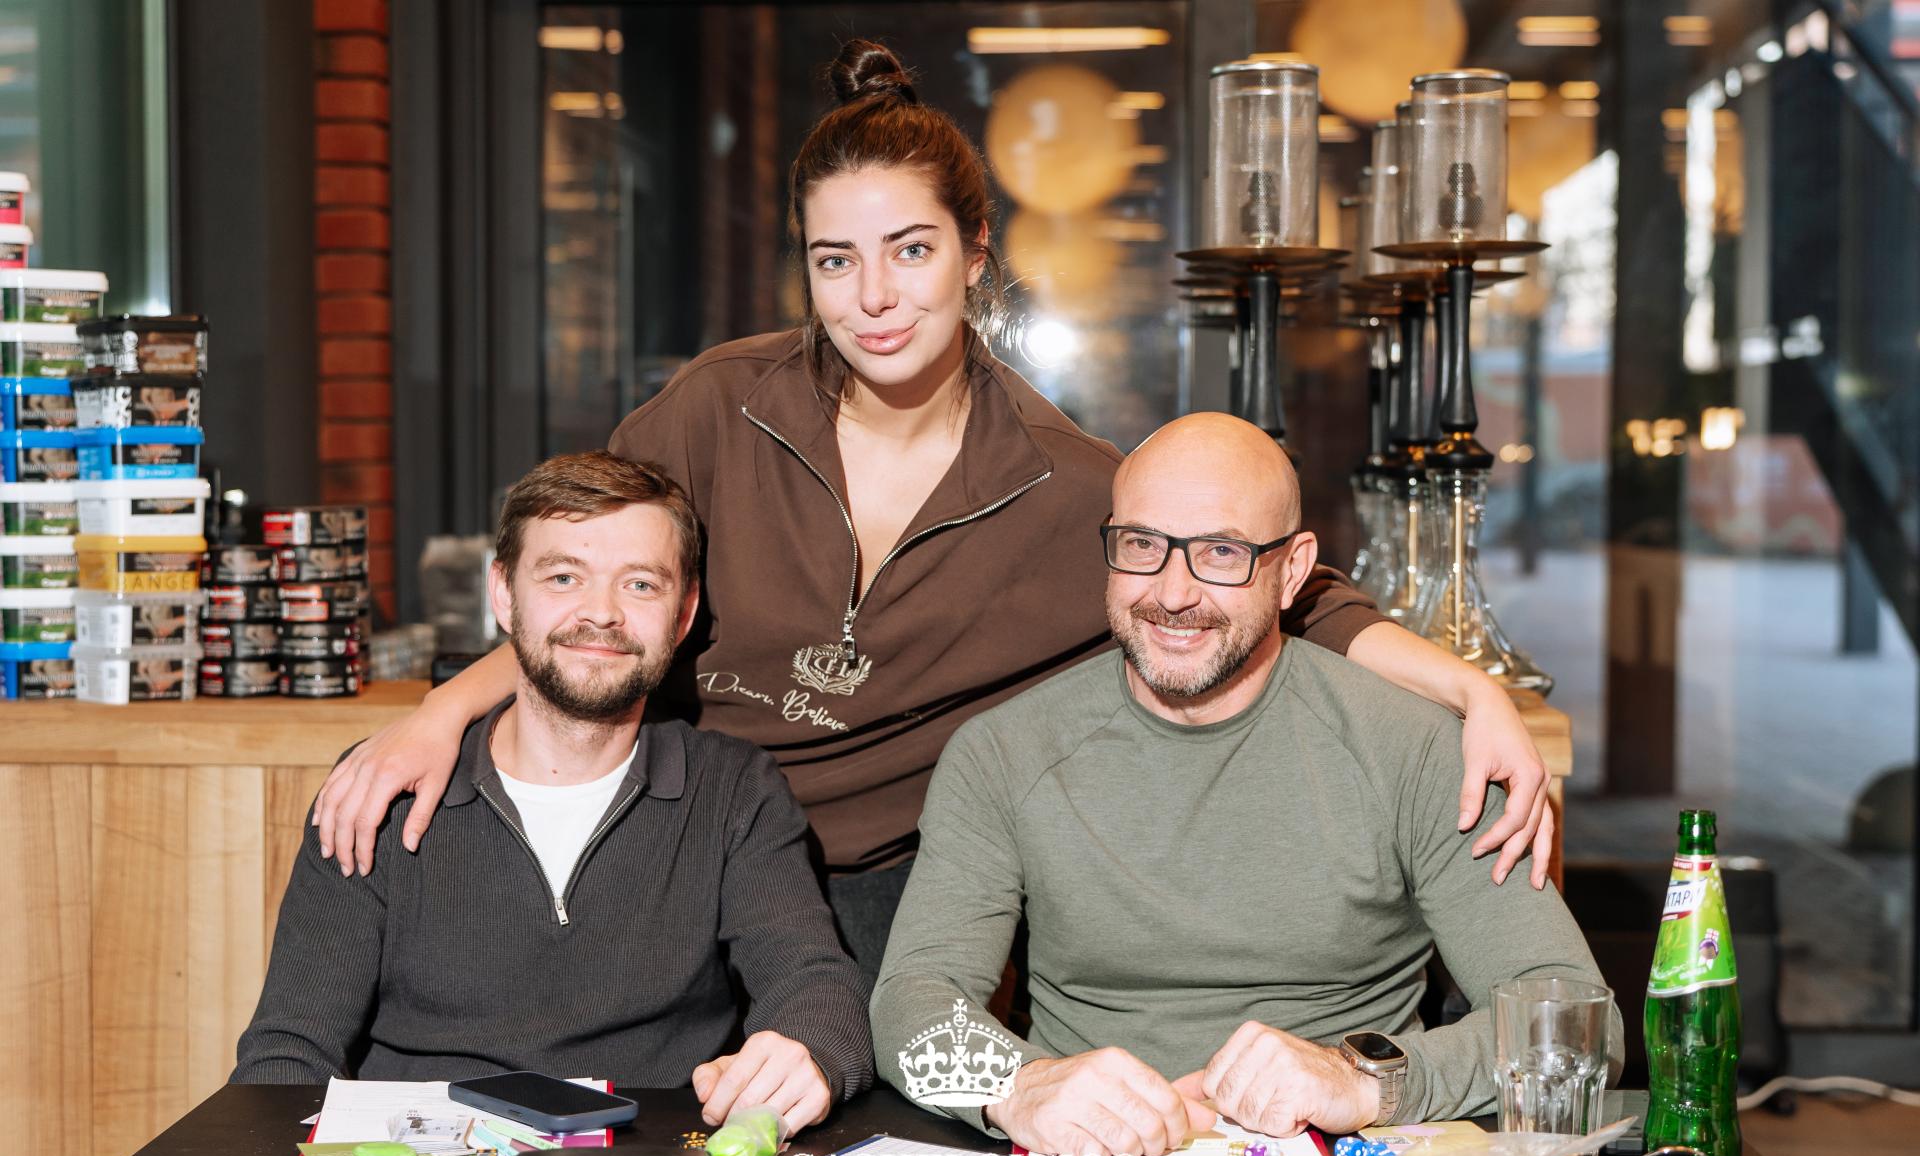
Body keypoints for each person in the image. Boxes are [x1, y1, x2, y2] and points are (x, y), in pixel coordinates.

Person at [307, 39, 1555, 986]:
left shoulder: (1066, 483)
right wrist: (438, 715)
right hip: (680, 847)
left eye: (909, 250)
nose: (873, 298)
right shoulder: (716, 408)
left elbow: (1287, 586)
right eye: (835, 260)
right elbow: (582, 593)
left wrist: (1472, 692)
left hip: (890, 897)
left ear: (974, 251)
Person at [870, 415, 1621, 1156]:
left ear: (1292, 571)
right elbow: (912, 999)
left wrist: (1364, 1081)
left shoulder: (1417, 748)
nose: (1172, 593)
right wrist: (1019, 1085)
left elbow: (1579, 1028)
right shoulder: (1003, 753)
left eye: (1221, 553)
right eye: (1142, 546)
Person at [233, 453, 872, 1136]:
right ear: (504, 594)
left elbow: (814, 984)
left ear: (683, 614)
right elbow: (288, 1051)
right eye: (564, 577)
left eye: (640, 585)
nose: (601, 613)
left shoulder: (732, 791)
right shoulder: (382, 790)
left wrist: (806, 1052)